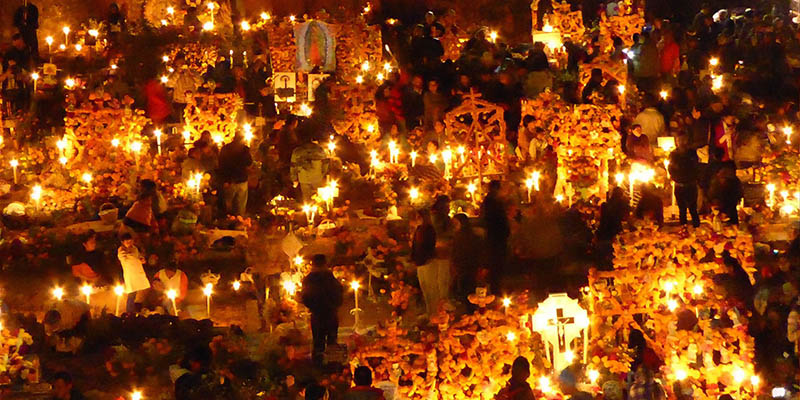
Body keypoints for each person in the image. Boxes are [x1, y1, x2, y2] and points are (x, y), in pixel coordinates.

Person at [301, 255, 343, 365]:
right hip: (331, 314)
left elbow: (306, 298)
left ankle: (318, 365)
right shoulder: (331, 279)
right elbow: (339, 295)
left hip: (317, 315)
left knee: (318, 342)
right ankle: (333, 365)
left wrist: (312, 306)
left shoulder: (309, 280)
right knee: (332, 341)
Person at [481, 180, 509, 293]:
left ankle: (496, 290)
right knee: (497, 267)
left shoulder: (489, 202)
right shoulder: (494, 203)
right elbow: (499, 221)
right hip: (496, 238)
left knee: (496, 268)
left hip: (493, 237)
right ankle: (496, 292)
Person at [669, 134, 700, 227]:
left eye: (683, 140)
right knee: (682, 209)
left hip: (690, 184)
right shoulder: (673, 154)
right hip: (679, 184)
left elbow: (695, 167)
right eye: (679, 140)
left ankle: (696, 227)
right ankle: (683, 228)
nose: (681, 143)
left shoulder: (691, 153)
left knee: (693, 208)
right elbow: (671, 168)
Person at [218, 132, 253, 216]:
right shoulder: (244, 149)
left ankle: (228, 220)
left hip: (230, 180)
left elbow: (221, 165)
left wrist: (225, 180)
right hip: (241, 179)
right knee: (240, 205)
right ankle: (239, 222)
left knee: (228, 204)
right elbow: (249, 162)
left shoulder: (225, 148)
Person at [117, 233, 150, 314]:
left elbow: (138, 256)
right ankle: (129, 312)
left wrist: (141, 259)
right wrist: (135, 259)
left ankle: (140, 308)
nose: (129, 242)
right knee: (132, 293)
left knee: (143, 290)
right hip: (130, 274)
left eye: (130, 240)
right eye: (127, 241)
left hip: (138, 273)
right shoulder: (122, 251)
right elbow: (125, 260)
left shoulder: (134, 248)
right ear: (123, 242)